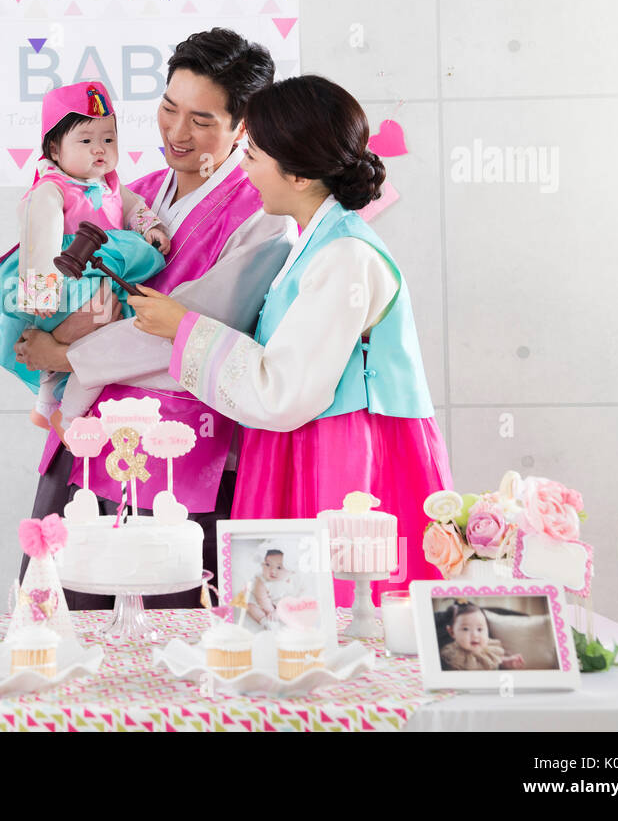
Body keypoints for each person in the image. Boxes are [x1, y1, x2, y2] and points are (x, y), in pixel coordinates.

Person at [132, 74, 453, 604]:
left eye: (254, 154)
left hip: (338, 460)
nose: (244, 167)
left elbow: (285, 391)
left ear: (299, 174)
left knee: (333, 613)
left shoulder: (345, 257)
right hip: (307, 446)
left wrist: (181, 328)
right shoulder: (318, 245)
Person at [14, 29, 294, 608]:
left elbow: (198, 326)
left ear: (244, 128)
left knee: (170, 637)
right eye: (169, 108)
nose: (177, 133)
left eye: (202, 120)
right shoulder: (126, 195)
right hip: (87, 442)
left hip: (182, 450)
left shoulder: (263, 219)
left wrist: (67, 355)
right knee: (61, 624)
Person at [0, 80, 169, 430]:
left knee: (99, 343)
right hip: (67, 277)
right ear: (54, 148)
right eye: (86, 140)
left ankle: (60, 409)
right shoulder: (51, 189)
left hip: (103, 269)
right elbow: (40, 236)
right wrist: (40, 288)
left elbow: (133, 205)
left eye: (108, 139)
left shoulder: (108, 183)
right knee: (84, 334)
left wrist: (149, 226)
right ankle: (55, 404)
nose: (100, 150)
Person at [439, 602, 526, 671]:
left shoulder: (489, 651)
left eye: (480, 629)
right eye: (465, 629)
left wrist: (507, 662)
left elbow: (494, 662)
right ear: (452, 632)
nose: (475, 635)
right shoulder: (451, 658)